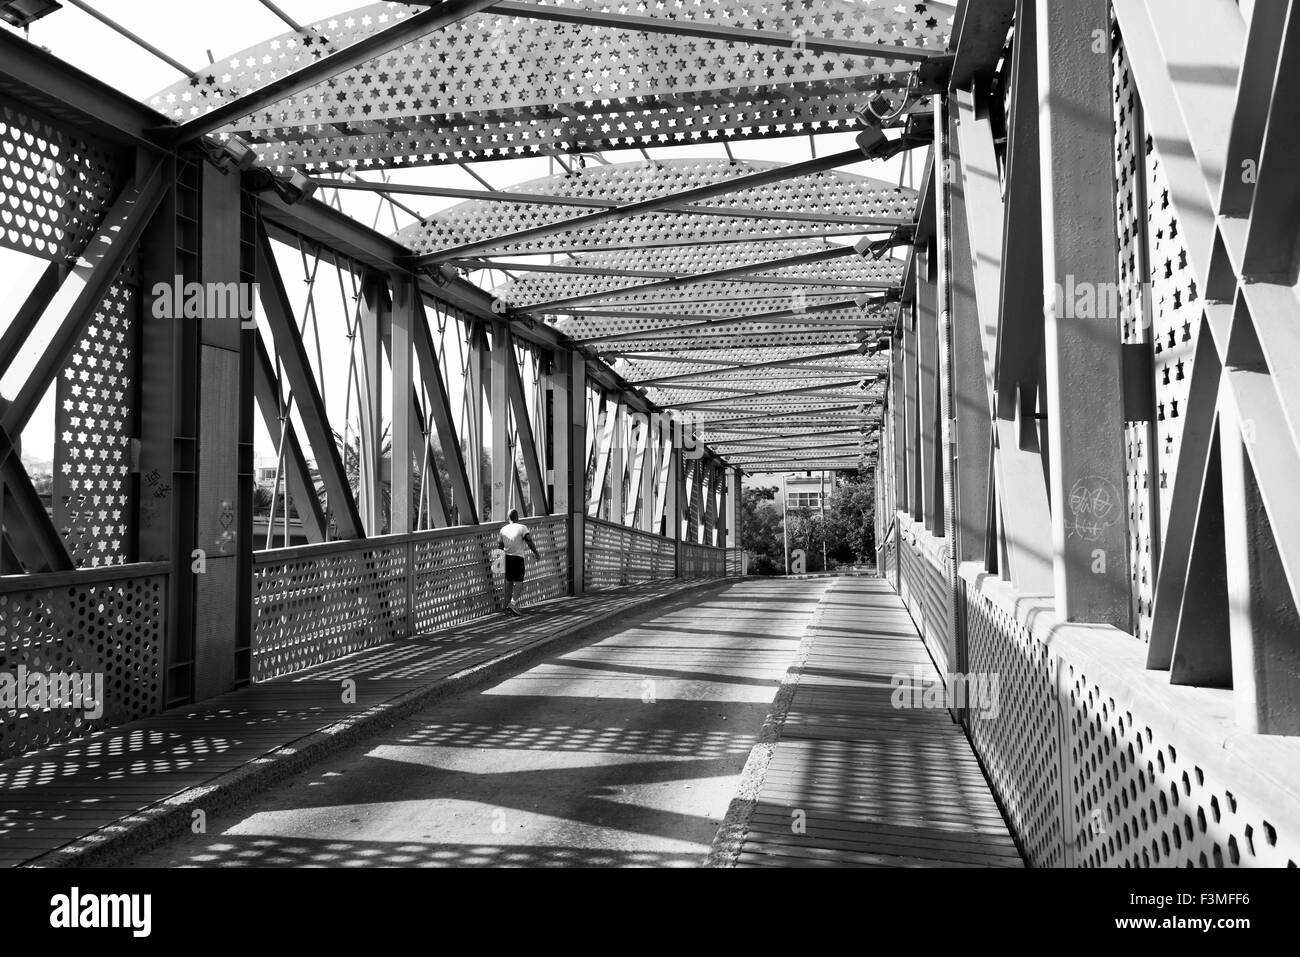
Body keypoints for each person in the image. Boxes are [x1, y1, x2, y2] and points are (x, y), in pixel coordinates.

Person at [497, 508, 540, 616]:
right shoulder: (522, 527)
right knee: (519, 583)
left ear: (508, 518)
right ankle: (513, 603)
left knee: (508, 582)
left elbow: (499, 546)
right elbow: (529, 541)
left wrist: (499, 562)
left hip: (506, 558)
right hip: (518, 558)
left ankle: (506, 606)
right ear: (517, 517)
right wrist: (536, 553)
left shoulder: (503, 529)